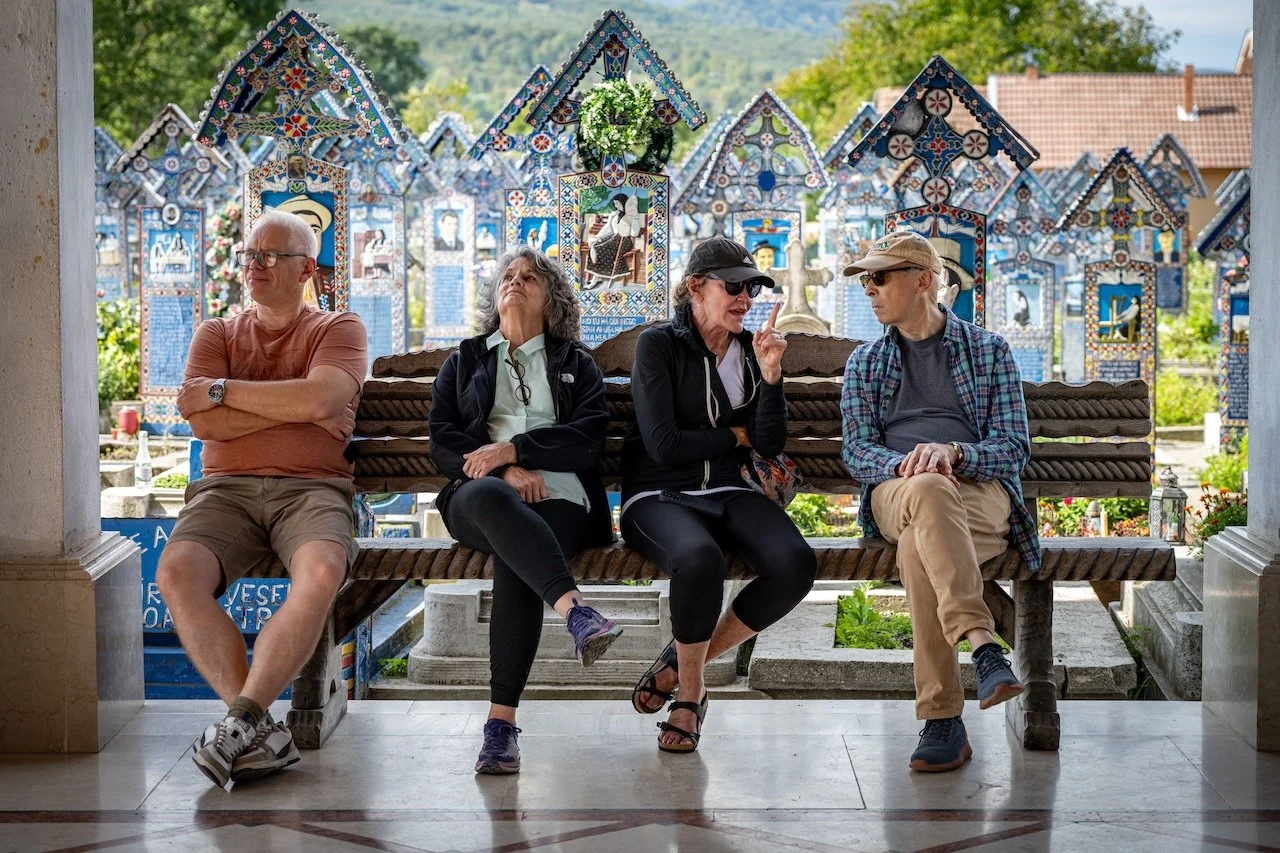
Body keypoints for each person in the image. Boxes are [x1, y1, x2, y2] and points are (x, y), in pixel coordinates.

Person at [162, 207, 367, 789]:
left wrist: (224, 395)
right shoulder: (217, 333)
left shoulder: (337, 329)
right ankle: (255, 727)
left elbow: (321, 401)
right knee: (176, 572)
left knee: (323, 568)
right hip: (225, 491)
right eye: (250, 253)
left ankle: (241, 724)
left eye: (271, 255)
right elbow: (202, 423)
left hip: (313, 490)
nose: (255, 265)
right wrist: (289, 408)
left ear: (305, 269)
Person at [840, 230, 1035, 773]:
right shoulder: (865, 363)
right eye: (864, 280)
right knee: (926, 491)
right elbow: (857, 452)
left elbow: (1014, 447)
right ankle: (983, 644)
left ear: (922, 280)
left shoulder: (988, 351)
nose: (869, 290)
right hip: (896, 491)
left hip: (978, 496)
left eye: (880, 277)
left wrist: (953, 453)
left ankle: (943, 719)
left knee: (918, 549)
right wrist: (906, 464)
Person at [620, 237, 817, 753]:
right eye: (733, 287)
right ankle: (691, 692)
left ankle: (680, 662)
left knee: (796, 563)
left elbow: (770, 443)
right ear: (694, 288)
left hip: (730, 490)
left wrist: (771, 376)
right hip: (658, 496)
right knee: (699, 558)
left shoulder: (750, 350)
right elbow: (663, 447)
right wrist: (734, 436)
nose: (745, 299)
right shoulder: (658, 345)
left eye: (750, 288)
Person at [429, 245, 621, 775]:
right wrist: (500, 471)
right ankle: (576, 614)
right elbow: (443, 442)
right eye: (508, 276)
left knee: (519, 553)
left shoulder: (574, 364)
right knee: (498, 503)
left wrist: (516, 450)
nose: (516, 282)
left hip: (562, 500)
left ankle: (500, 727)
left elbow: (588, 440)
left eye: (530, 277)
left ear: (551, 299)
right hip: (479, 496)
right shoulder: (466, 360)